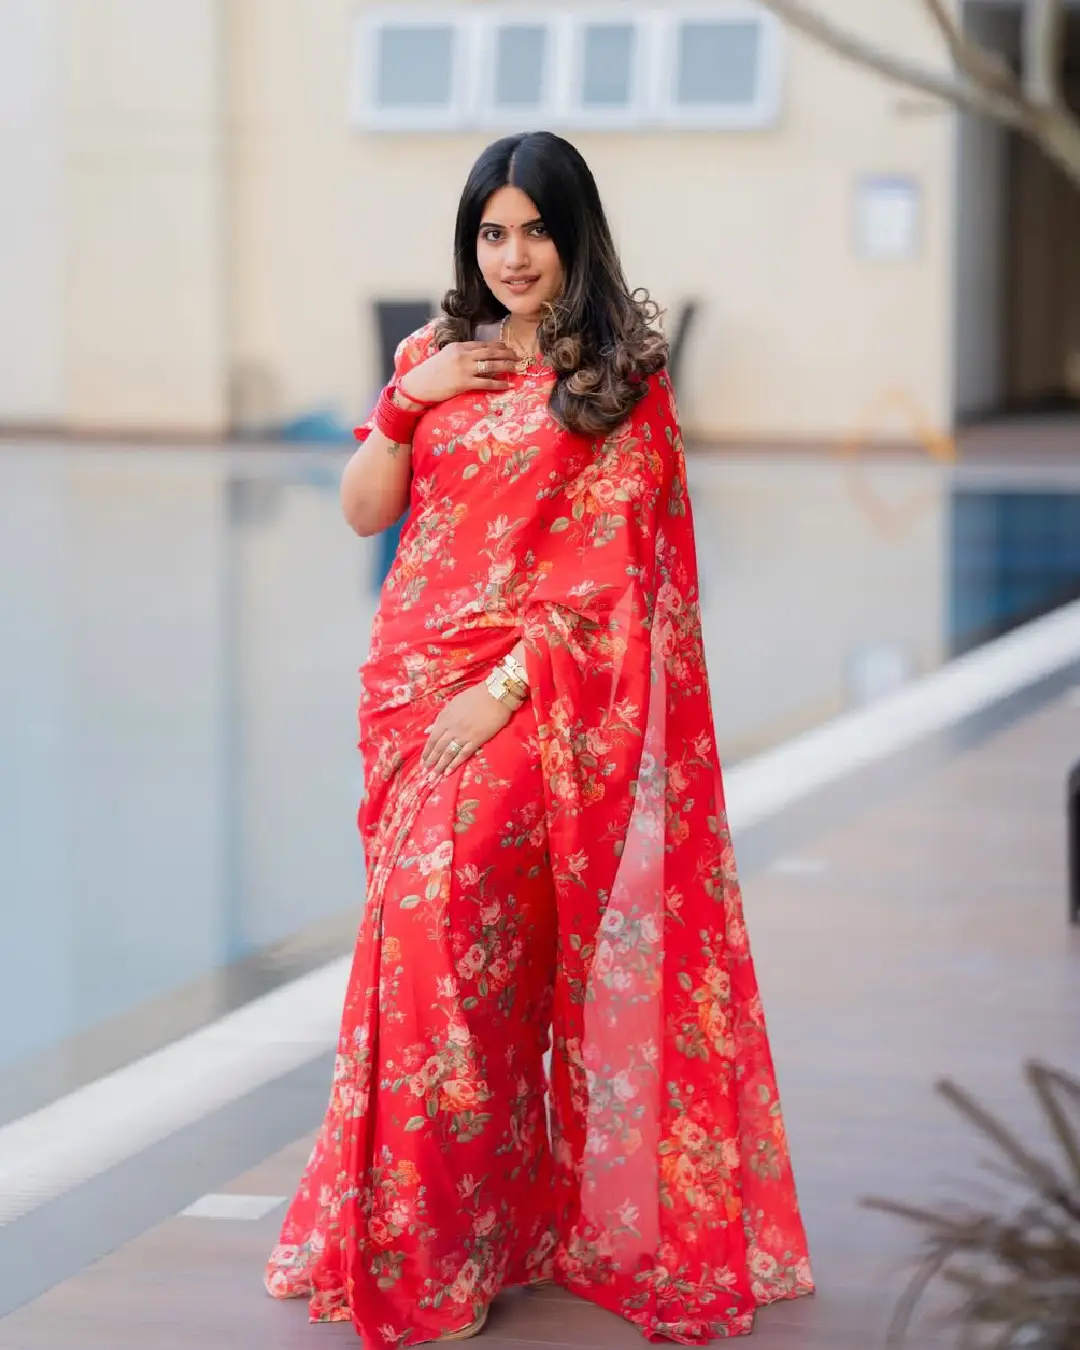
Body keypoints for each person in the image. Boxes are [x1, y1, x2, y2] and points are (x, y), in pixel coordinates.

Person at [265, 130, 813, 1346]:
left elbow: (627, 582)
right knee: (441, 955)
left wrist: (507, 691)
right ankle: (473, 1234)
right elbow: (364, 513)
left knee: (446, 924)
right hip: (411, 692)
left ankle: (439, 1254)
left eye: (535, 230)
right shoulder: (430, 357)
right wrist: (408, 402)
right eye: (491, 232)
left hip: (534, 698)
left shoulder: (618, 376)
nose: (513, 256)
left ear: (577, 234)